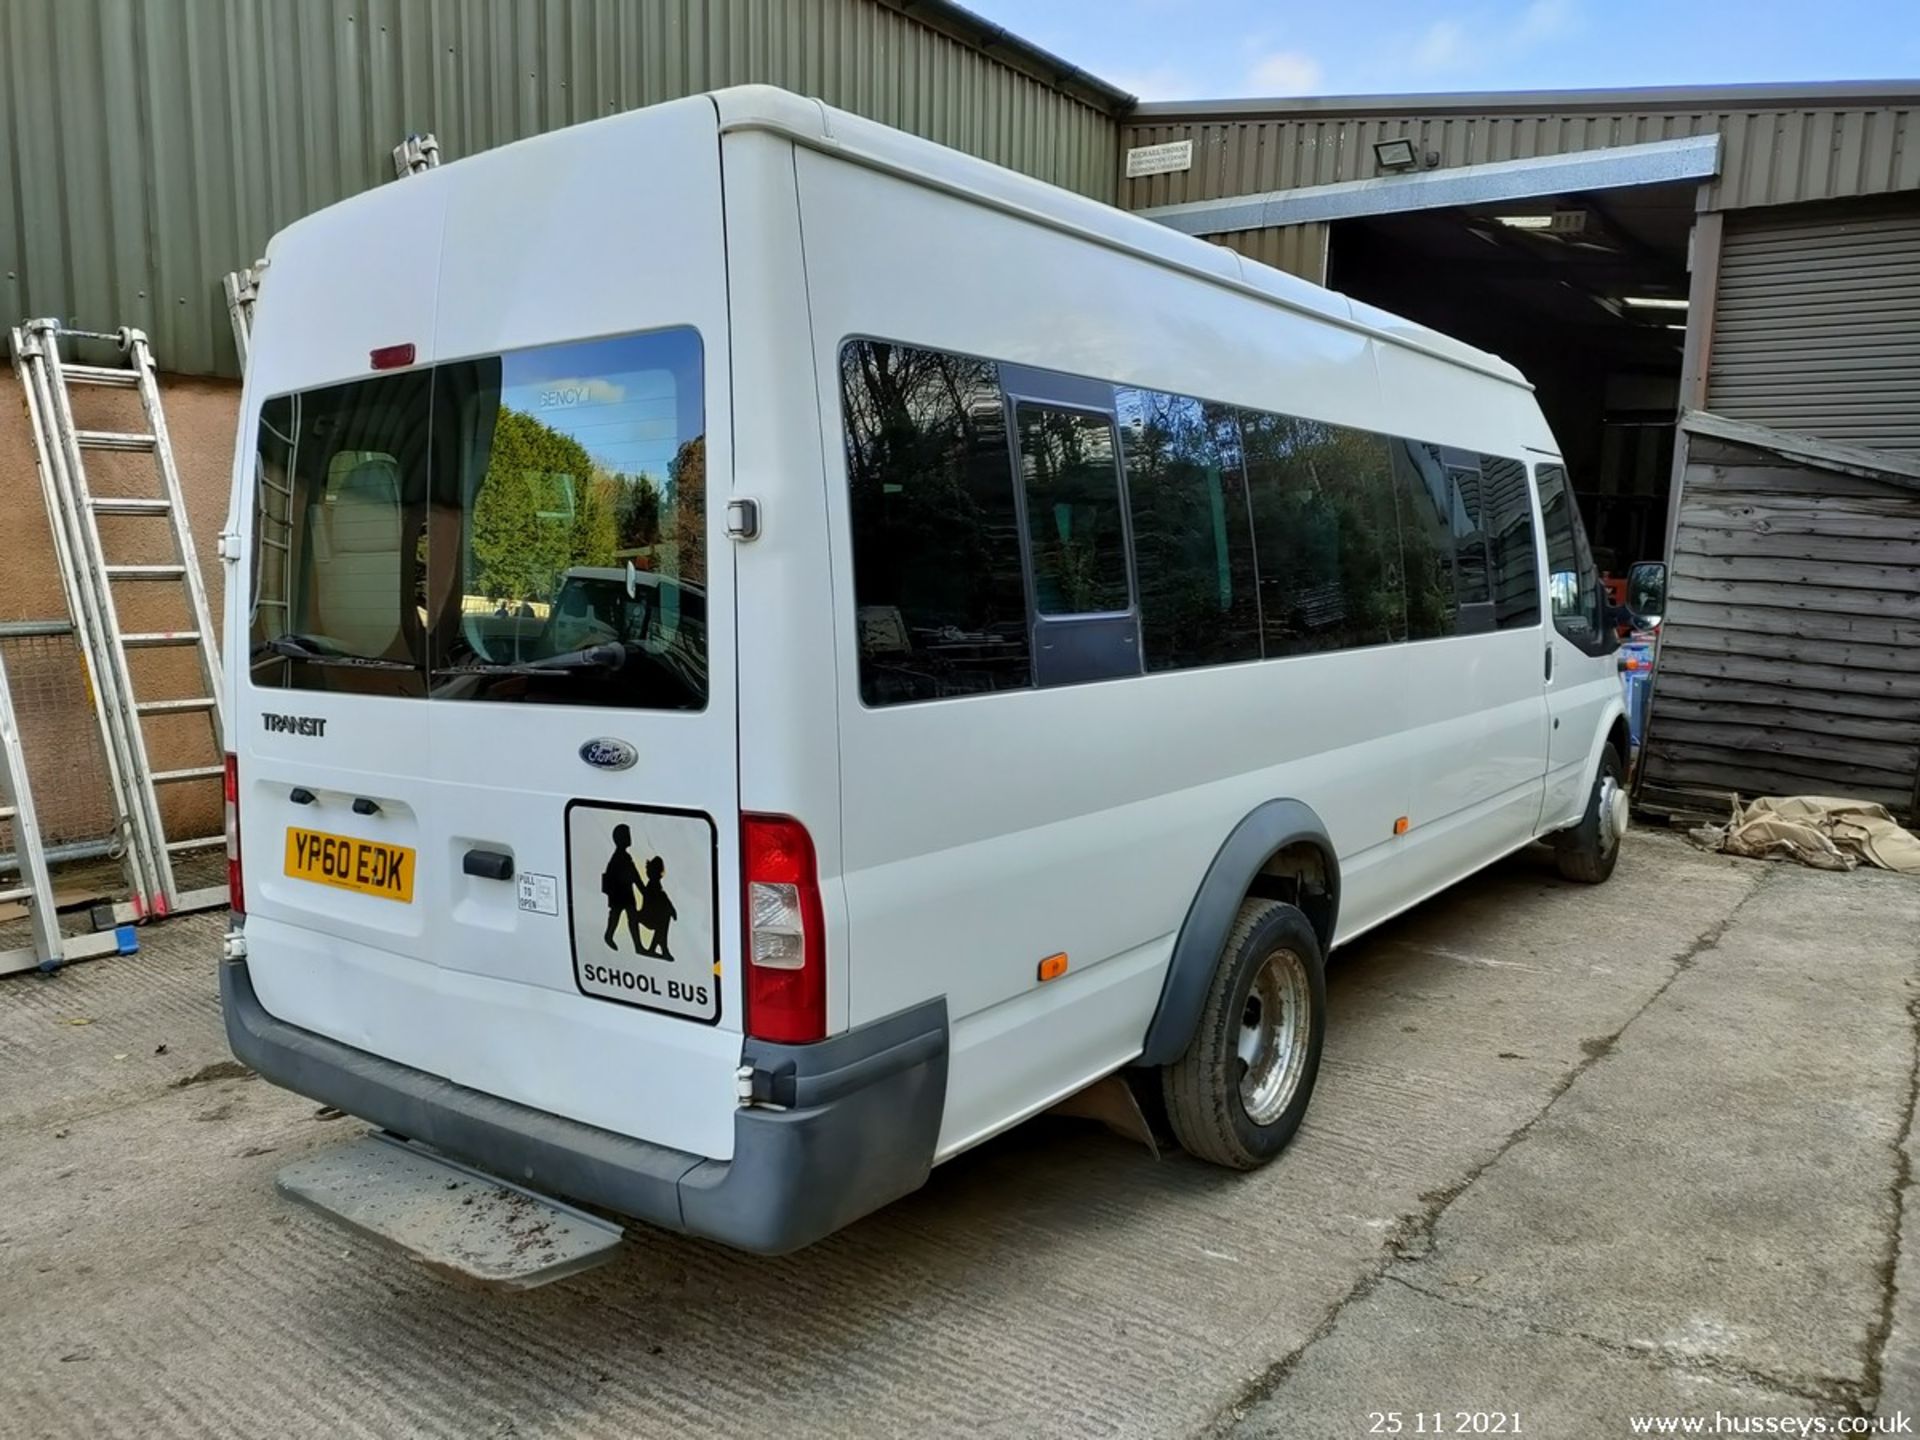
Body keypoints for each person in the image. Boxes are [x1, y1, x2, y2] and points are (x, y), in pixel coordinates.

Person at [599, 824, 643, 952]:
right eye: (627, 835)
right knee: (617, 917)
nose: (630, 838)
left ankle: (638, 946)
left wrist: (643, 890)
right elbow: (634, 876)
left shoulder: (623, 856)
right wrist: (643, 890)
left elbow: (634, 875)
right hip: (621, 894)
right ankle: (609, 936)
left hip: (625, 893)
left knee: (631, 918)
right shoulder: (620, 857)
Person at [637, 854, 677, 960]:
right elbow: (662, 898)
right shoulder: (653, 885)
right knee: (663, 920)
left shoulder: (656, 884)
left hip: (652, 916)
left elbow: (663, 898)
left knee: (664, 918)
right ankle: (662, 948)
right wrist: (671, 909)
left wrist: (671, 909)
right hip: (647, 916)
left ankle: (659, 948)